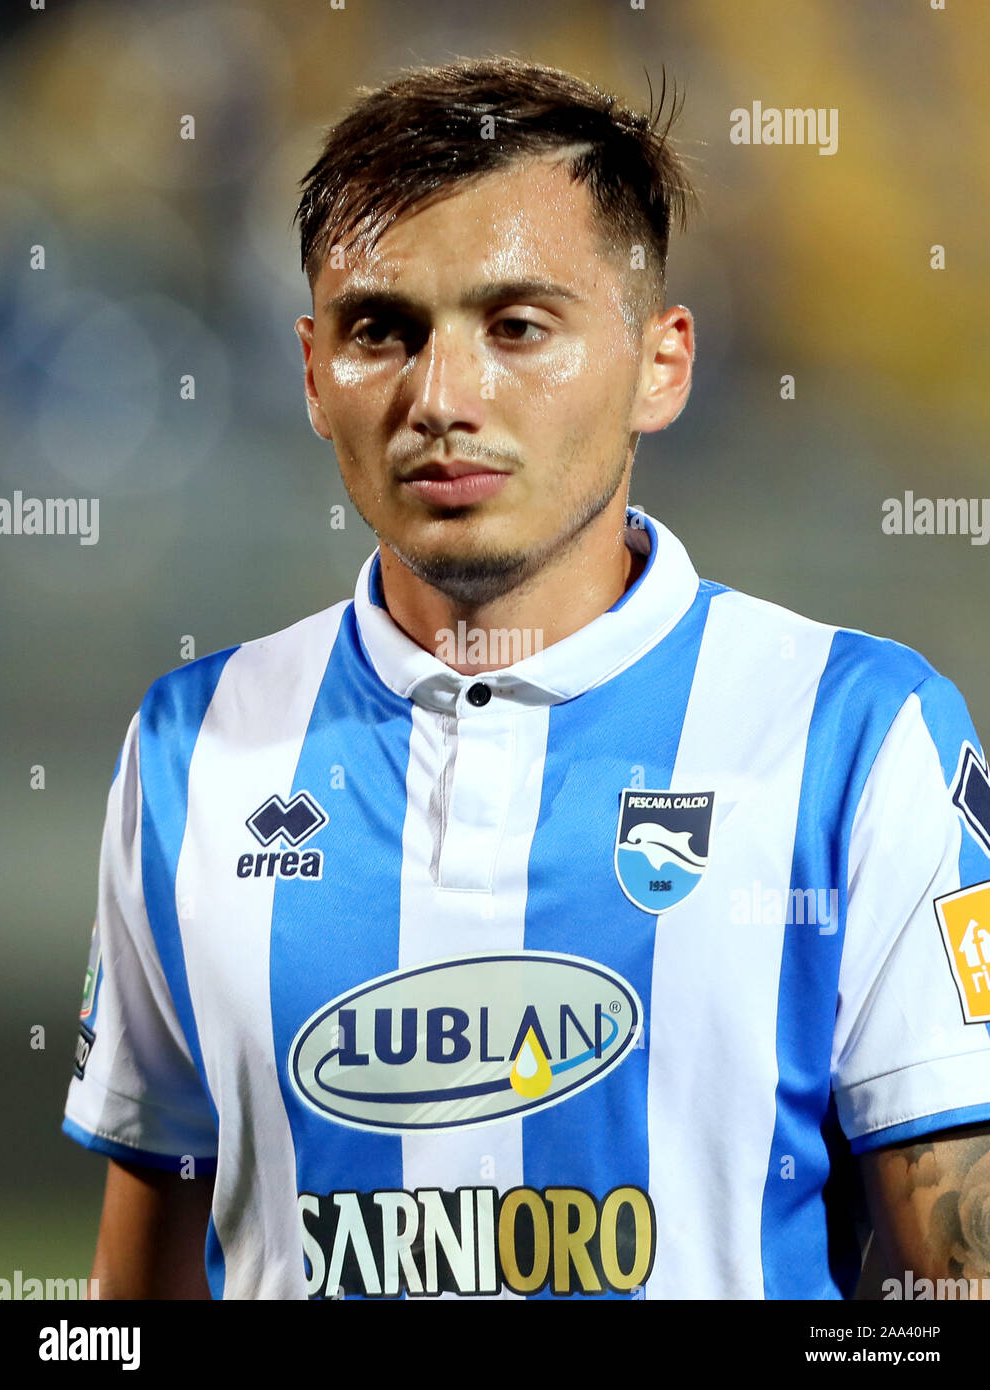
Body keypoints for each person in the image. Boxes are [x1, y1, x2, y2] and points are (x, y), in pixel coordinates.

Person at [63, 56, 990, 1301]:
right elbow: (144, 1275)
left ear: (659, 366)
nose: (442, 399)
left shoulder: (862, 739)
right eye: (381, 330)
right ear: (310, 373)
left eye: (516, 326)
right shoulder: (193, 745)